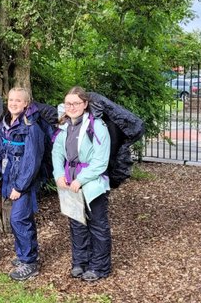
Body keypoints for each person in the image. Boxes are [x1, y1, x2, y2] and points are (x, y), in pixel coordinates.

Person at [51, 86, 112, 282]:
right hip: (69, 183)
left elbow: (101, 161)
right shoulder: (64, 126)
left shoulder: (97, 127)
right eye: (68, 103)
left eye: (76, 103)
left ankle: (100, 266)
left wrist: (81, 180)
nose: (72, 107)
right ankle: (80, 262)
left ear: (85, 104)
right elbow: (57, 152)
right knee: (76, 223)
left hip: (92, 185)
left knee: (97, 225)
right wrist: (59, 174)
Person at [0, 87, 45, 281]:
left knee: (19, 219)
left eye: (17, 101)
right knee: (20, 220)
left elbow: (32, 161)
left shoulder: (32, 127)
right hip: (7, 178)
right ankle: (25, 254)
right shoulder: (5, 123)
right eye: (10, 100)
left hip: (24, 182)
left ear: (26, 104)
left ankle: (29, 262)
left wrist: (20, 186)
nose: (13, 103)